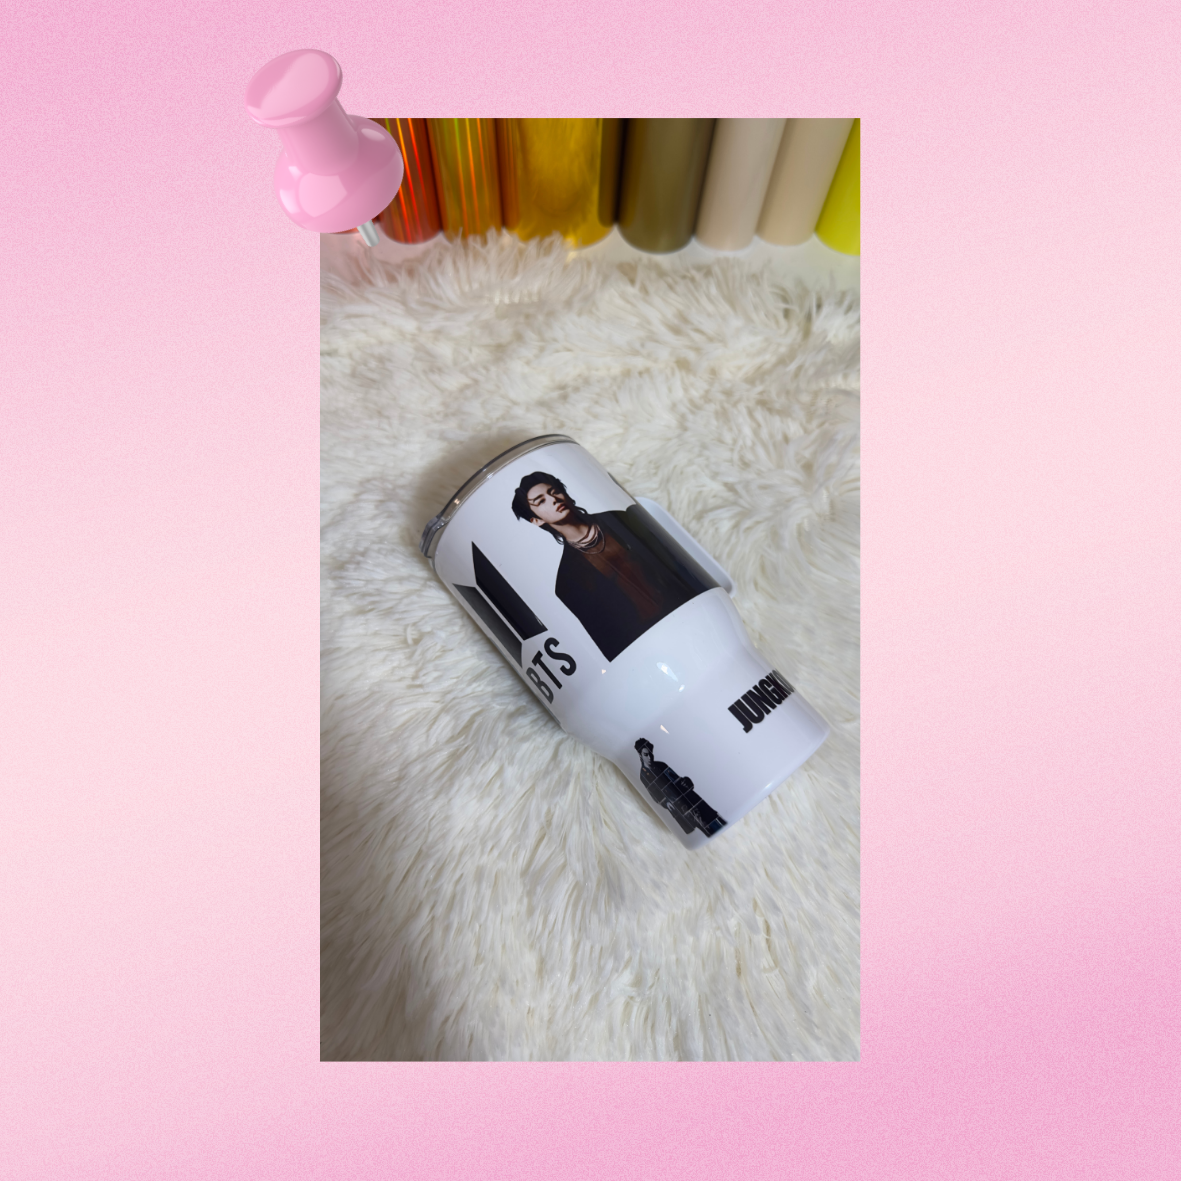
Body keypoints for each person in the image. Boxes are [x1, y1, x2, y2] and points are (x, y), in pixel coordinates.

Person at [511, 472, 717, 661]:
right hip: (657, 652)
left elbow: (679, 568)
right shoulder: (566, 582)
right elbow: (611, 643)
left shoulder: (624, 518)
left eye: (554, 491)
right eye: (541, 501)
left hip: (701, 619)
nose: (554, 500)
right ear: (536, 520)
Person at [634, 738, 726, 838]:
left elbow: (678, 779)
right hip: (678, 807)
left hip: (690, 798)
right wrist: (666, 803)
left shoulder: (662, 765)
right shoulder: (644, 776)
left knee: (712, 818)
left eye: (650, 754)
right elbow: (655, 796)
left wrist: (686, 781)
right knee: (700, 831)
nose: (649, 757)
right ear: (640, 755)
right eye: (646, 755)